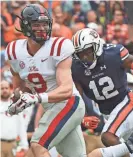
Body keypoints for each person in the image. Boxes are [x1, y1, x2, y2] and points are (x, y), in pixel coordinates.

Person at [5, 4, 86, 157]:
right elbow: (20, 88)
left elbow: (67, 89)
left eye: (45, 24)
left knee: (38, 146)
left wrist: (35, 98)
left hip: (68, 103)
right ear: (25, 26)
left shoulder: (59, 46)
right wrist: (17, 100)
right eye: (37, 24)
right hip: (51, 107)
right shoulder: (14, 51)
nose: (42, 28)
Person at [72, 28, 133, 157]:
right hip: (108, 113)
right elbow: (77, 98)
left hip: (126, 101)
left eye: (87, 51)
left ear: (97, 46)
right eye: (80, 53)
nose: (84, 56)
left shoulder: (113, 54)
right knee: (122, 147)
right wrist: (82, 118)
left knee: (108, 136)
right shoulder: (76, 68)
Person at [0, 80, 28, 157]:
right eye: (2, 88)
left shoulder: (16, 106)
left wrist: (24, 144)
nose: (4, 90)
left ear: (10, 89)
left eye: (6, 88)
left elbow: (21, 126)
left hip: (12, 144)